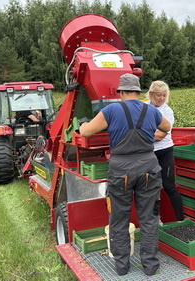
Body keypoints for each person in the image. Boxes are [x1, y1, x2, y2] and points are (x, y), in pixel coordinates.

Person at [79, 73, 171, 276]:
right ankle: (150, 266)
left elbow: (85, 133)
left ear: (120, 92)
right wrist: (151, 134)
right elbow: (167, 127)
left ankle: (122, 268)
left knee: (119, 219)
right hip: (149, 168)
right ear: (138, 92)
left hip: (121, 171)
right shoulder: (150, 110)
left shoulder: (111, 110)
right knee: (149, 219)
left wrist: (83, 123)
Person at [147, 81, 184, 222]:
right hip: (149, 153)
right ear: (151, 94)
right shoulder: (144, 107)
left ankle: (180, 220)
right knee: (150, 189)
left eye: (164, 95)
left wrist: (140, 136)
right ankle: (155, 221)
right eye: (158, 95)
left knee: (169, 186)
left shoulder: (167, 111)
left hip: (164, 151)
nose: (161, 98)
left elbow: (160, 135)